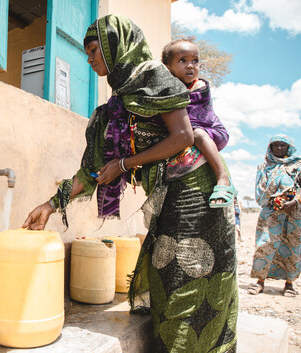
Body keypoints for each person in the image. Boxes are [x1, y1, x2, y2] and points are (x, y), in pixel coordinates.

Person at [23, 15, 238, 352]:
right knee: (165, 271)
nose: (90, 59)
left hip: (198, 189)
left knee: (191, 275)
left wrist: (124, 164)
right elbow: (91, 171)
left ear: (114, 47)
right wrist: (51, 206)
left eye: (94, 50)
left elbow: (183, 136)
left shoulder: (154, 78)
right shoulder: (116, 107)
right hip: (168, 193)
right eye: (88, 53)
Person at [161, 39, 236, 208]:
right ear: (166, 67)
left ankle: (222, 178)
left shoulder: (199, 87)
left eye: (195, 61)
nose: (190, 66)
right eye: (183, 61)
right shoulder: (167, 89)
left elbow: (186, 118)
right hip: (187, 134)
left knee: (198, 134)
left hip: (212, 132)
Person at [248, 134, 301, 297]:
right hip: (269, 213)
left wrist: (295, 201)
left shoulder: (298, 166)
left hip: (294, 213)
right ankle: (259, 281)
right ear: (270, 148)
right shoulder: (263, 167)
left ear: (289, 147)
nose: (278, 148)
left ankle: (289, 284)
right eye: (275, 145)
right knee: (265, 245)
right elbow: (259, 192)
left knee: (293, 246)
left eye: (282, 145)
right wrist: (274, 201)